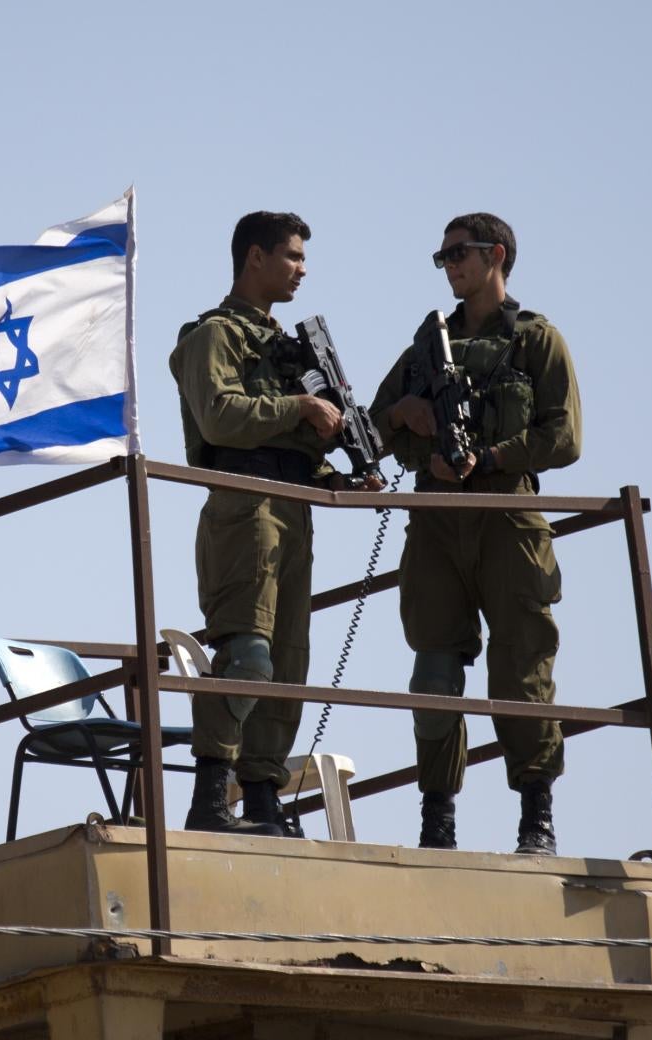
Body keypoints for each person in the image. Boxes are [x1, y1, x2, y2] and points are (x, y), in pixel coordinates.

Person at [367, 212, 582, 856]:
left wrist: (486, 459)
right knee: (433, 670)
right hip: (436, 520)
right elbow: (375, 426)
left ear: (497, 255)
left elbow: (563, 439)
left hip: (506, 517)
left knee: (521, 667)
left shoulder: (535, 340)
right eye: (442, 257)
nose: (449, 265)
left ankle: (535, 816)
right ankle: (439, 819)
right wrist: (409, 425)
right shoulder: (428, 347)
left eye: (458, 253)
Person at [168, 211, 353, 835]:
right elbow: (220, 419)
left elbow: (292, 446)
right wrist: (298, 404)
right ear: (255, 257)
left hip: (293, 508)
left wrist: (341, 476)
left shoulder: (288, 346)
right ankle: (211, 798)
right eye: (292, 256)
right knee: (247, 653)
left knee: (287, 661)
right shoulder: (213, 336)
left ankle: (264, 796)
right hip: (243, 506)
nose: (301, 269)